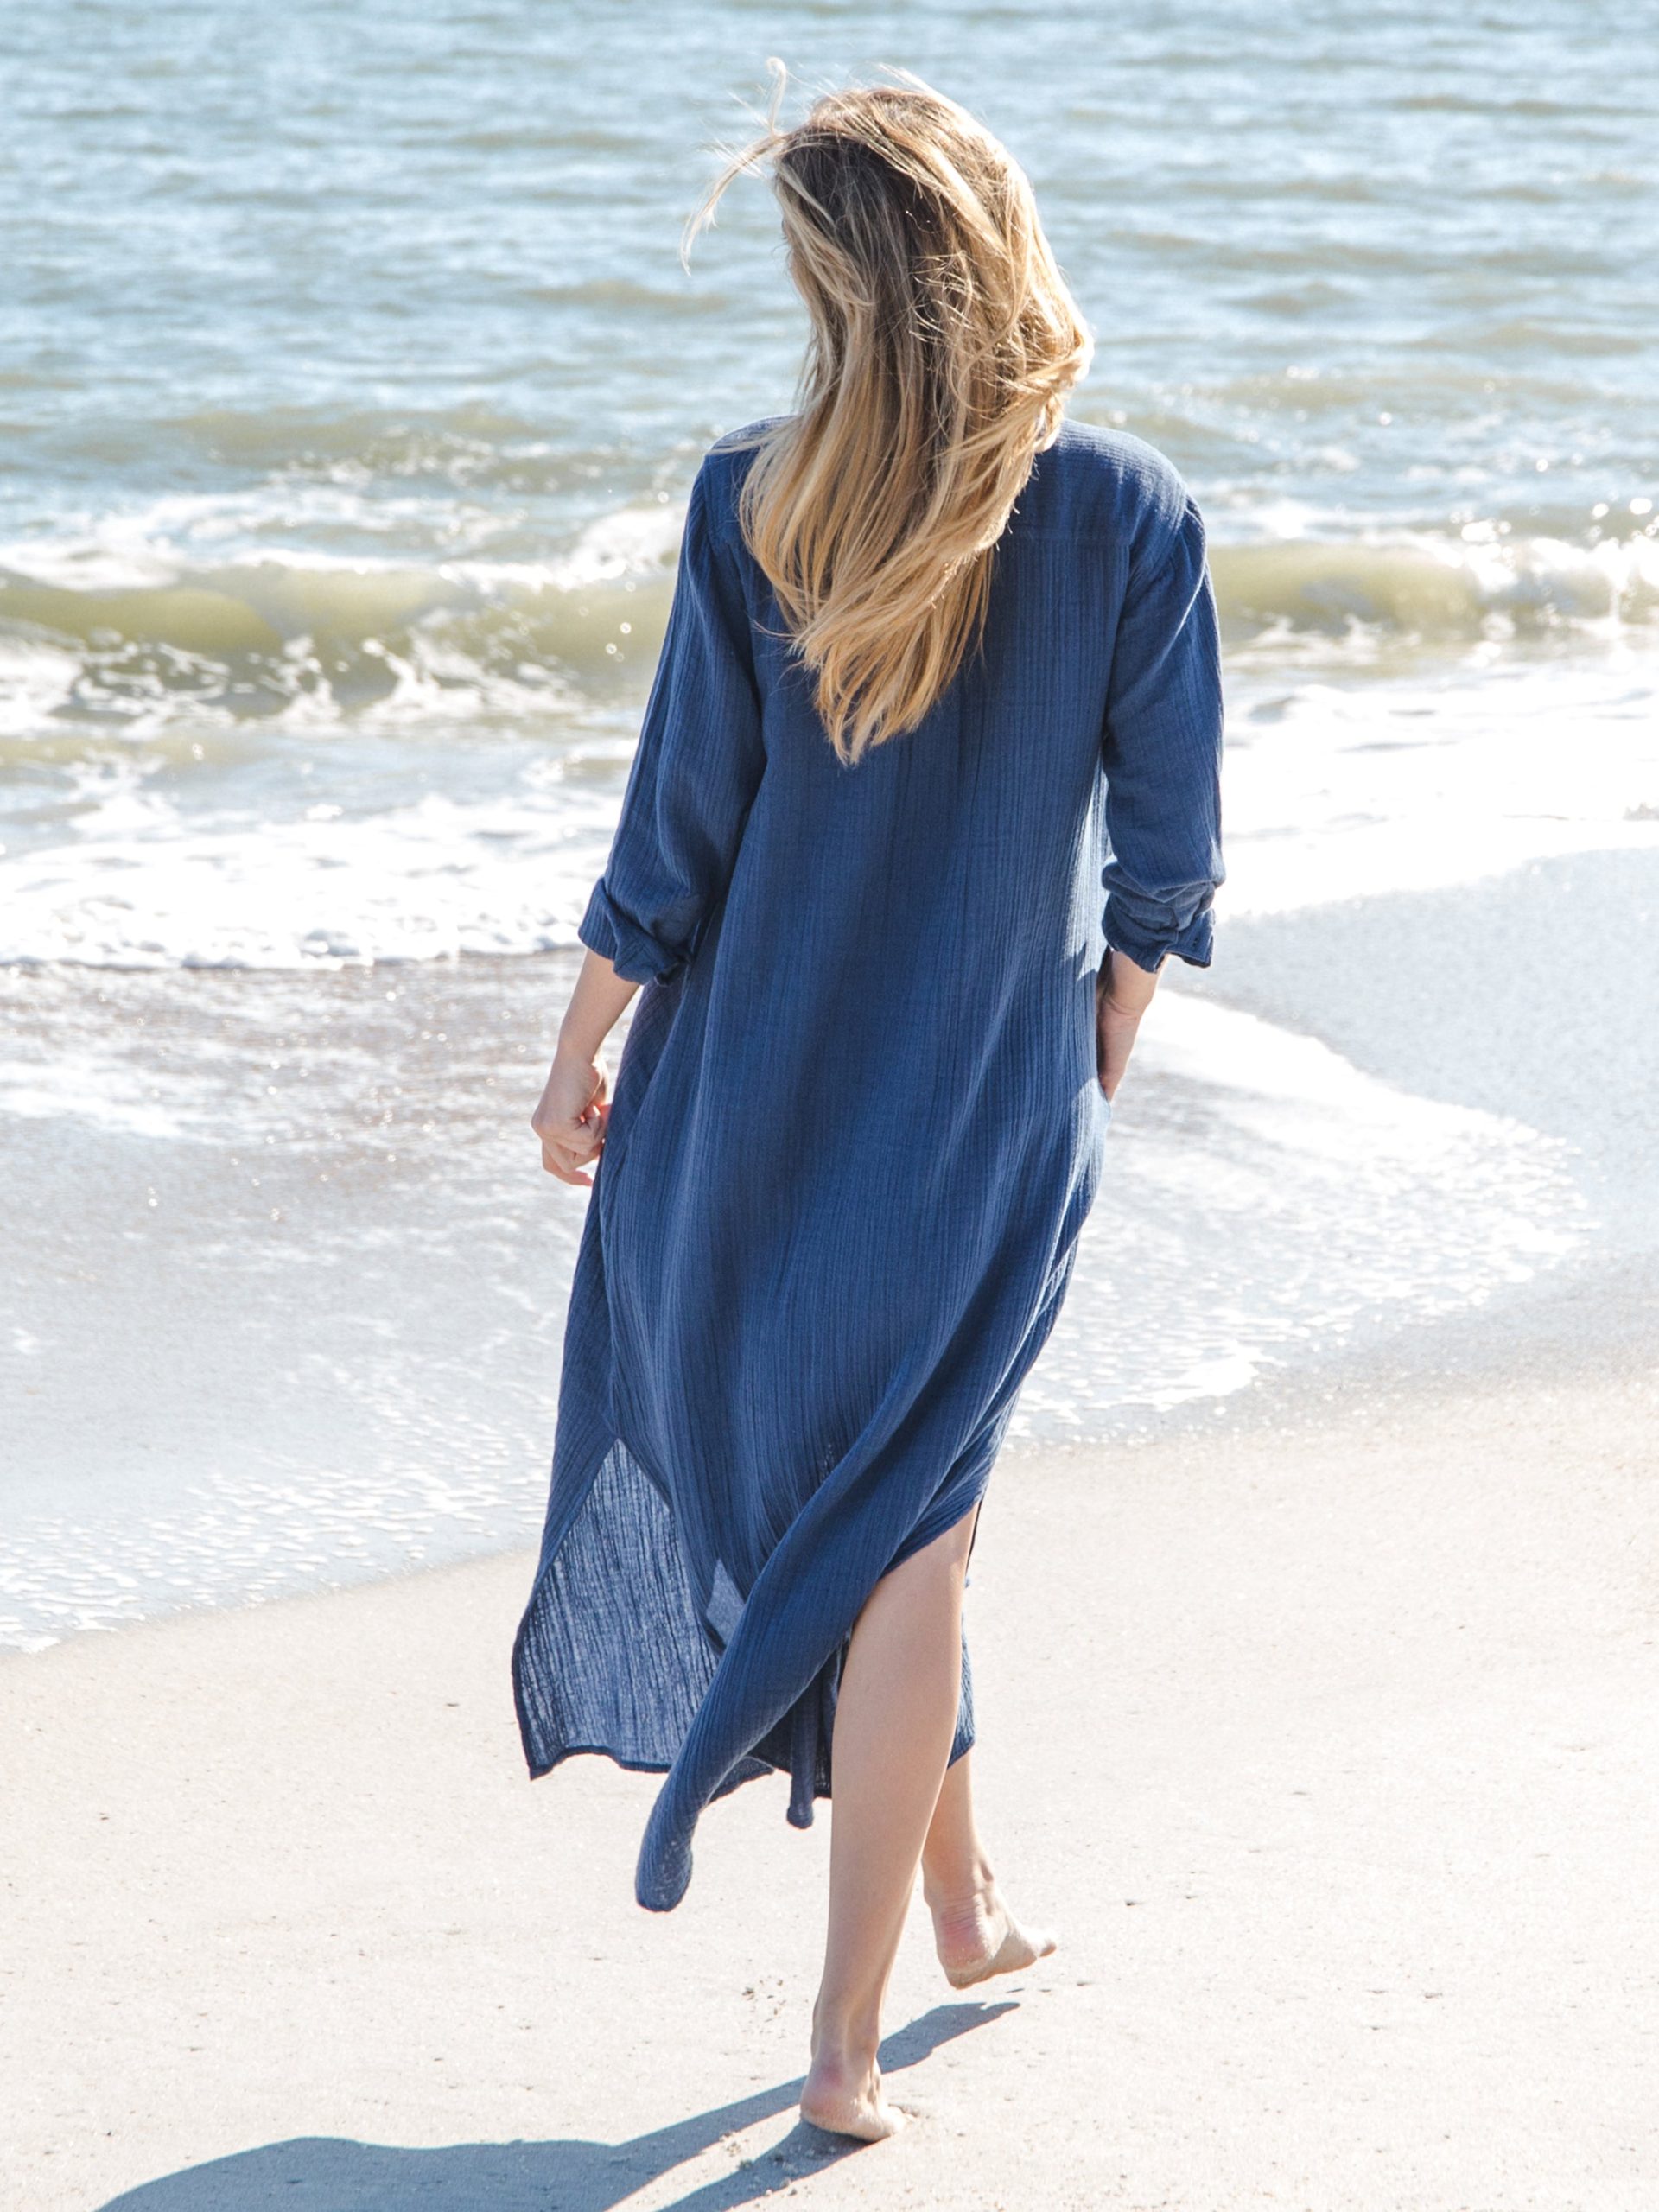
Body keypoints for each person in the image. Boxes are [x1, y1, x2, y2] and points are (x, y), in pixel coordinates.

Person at [514, 67, 1224, 2142]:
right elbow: (1169, 853)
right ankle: (850, 2031)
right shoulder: (1127, 514)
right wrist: (1102, 1030)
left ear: (834, 284)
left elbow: (676, 840)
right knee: (916, 1522)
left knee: (903, 1511)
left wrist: (577, 1046)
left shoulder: (757, 501)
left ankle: (956, 1917)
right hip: (983, 1111)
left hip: (749, 1099)